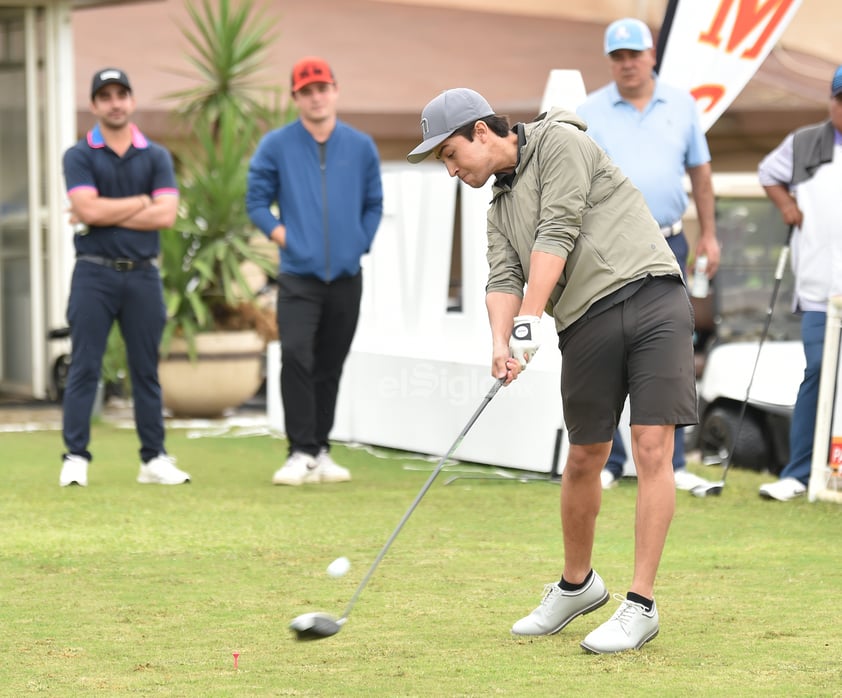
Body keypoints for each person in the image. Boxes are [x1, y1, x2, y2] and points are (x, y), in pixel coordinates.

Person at [407, 88, 697, 653]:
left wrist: (529, 320)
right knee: (585, 455)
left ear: (480, 132)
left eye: (448, 154)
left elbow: (557, 230)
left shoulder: (562, 140)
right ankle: (577, 586)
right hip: (586, 321)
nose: (449, 169)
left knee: (651, 446)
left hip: (651, 297)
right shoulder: (497, 210)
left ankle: (639, 604)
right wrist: (501, 340)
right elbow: (501, 278)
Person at [577, 17, 721, 492]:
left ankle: (672, 460)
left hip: (670, 242)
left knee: (672, 349)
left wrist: (710, 235)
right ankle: (613, 459)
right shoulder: (589, 111)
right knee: (608, 346)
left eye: (634, 55)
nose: (627, 65)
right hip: (610, 249)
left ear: (651, 55)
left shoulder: (681, 106)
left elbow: (700, 175)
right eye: (617, 57)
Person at [246, 57, 383, 486]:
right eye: (306, 91)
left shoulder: (360, 146)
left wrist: (359, 242)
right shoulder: (276, 145)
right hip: (298, 276)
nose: (316, 97)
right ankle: (298, 450)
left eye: (322, 88)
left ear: (335, 90)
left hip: (346, 275)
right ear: (295, 98)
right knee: (296, 356)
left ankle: (320, 450)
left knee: (330, 363)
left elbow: (373, 202)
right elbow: (256, 202)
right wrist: (285, 236)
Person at [59, 67, 190, 487]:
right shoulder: (79, 155)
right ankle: (75, 457)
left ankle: (153, 459)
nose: (115, 102)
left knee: (146, 370)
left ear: (131, 101)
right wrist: (139, 202)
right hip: (93, 274)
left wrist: (102, 210)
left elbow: (166, 215)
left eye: (122, 94)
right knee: (84, 367)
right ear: (95, 104)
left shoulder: (156, 156)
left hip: (142, 277)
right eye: (106, 96)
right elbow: (88, 211)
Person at [755, 65, 842, 502]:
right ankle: (799, 471)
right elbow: (769, 172)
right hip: (819, 288)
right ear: (832, 101)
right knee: (817, 374)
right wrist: (787, 206)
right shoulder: (806, 141)